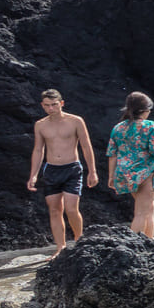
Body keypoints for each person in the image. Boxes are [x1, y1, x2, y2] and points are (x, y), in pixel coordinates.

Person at [27, 89, 100, 257]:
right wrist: (33, 175)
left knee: (71, 209)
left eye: (54, 105)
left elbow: (86, 146)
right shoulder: (40, 124)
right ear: (42, 106)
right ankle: (61, 247)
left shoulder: (76, 121)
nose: (51, 108)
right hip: (51, 169)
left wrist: (92, 171)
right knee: (54, 209)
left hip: (72, 168)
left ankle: (79, 240)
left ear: (61, 103)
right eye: (47, 105)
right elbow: (38, 150)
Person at [107, 92, 154, 237]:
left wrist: (111, 176)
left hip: (126, 173)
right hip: (147, 172)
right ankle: (132, 246)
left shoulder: (118, 128)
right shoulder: (150, 126)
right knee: (140, 212)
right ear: (145, 110)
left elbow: (112, 153)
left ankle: (150, 240)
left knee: (149, 208)